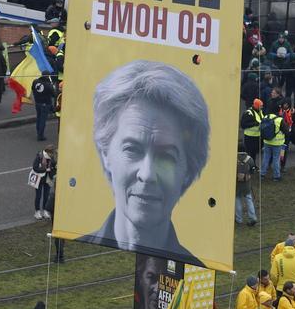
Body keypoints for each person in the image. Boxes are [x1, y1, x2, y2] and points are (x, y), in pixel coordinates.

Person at [78, 61, 208, 265]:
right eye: (132, 149)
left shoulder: (194, 271)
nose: (146, 175)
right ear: (105, 153)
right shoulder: (78, 257)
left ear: (188, 171)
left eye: (166, 156)